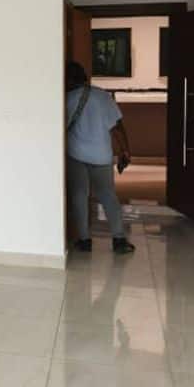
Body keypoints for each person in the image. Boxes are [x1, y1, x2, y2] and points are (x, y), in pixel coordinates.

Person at [66, 61, 135, 254]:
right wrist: (125, 151)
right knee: (108, 196)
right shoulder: (103, 97)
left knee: (79, 196)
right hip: (101, 155)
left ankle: (84, 240)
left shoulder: (65, 99)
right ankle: (119, 239)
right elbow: (117, 127)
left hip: (76, 155)